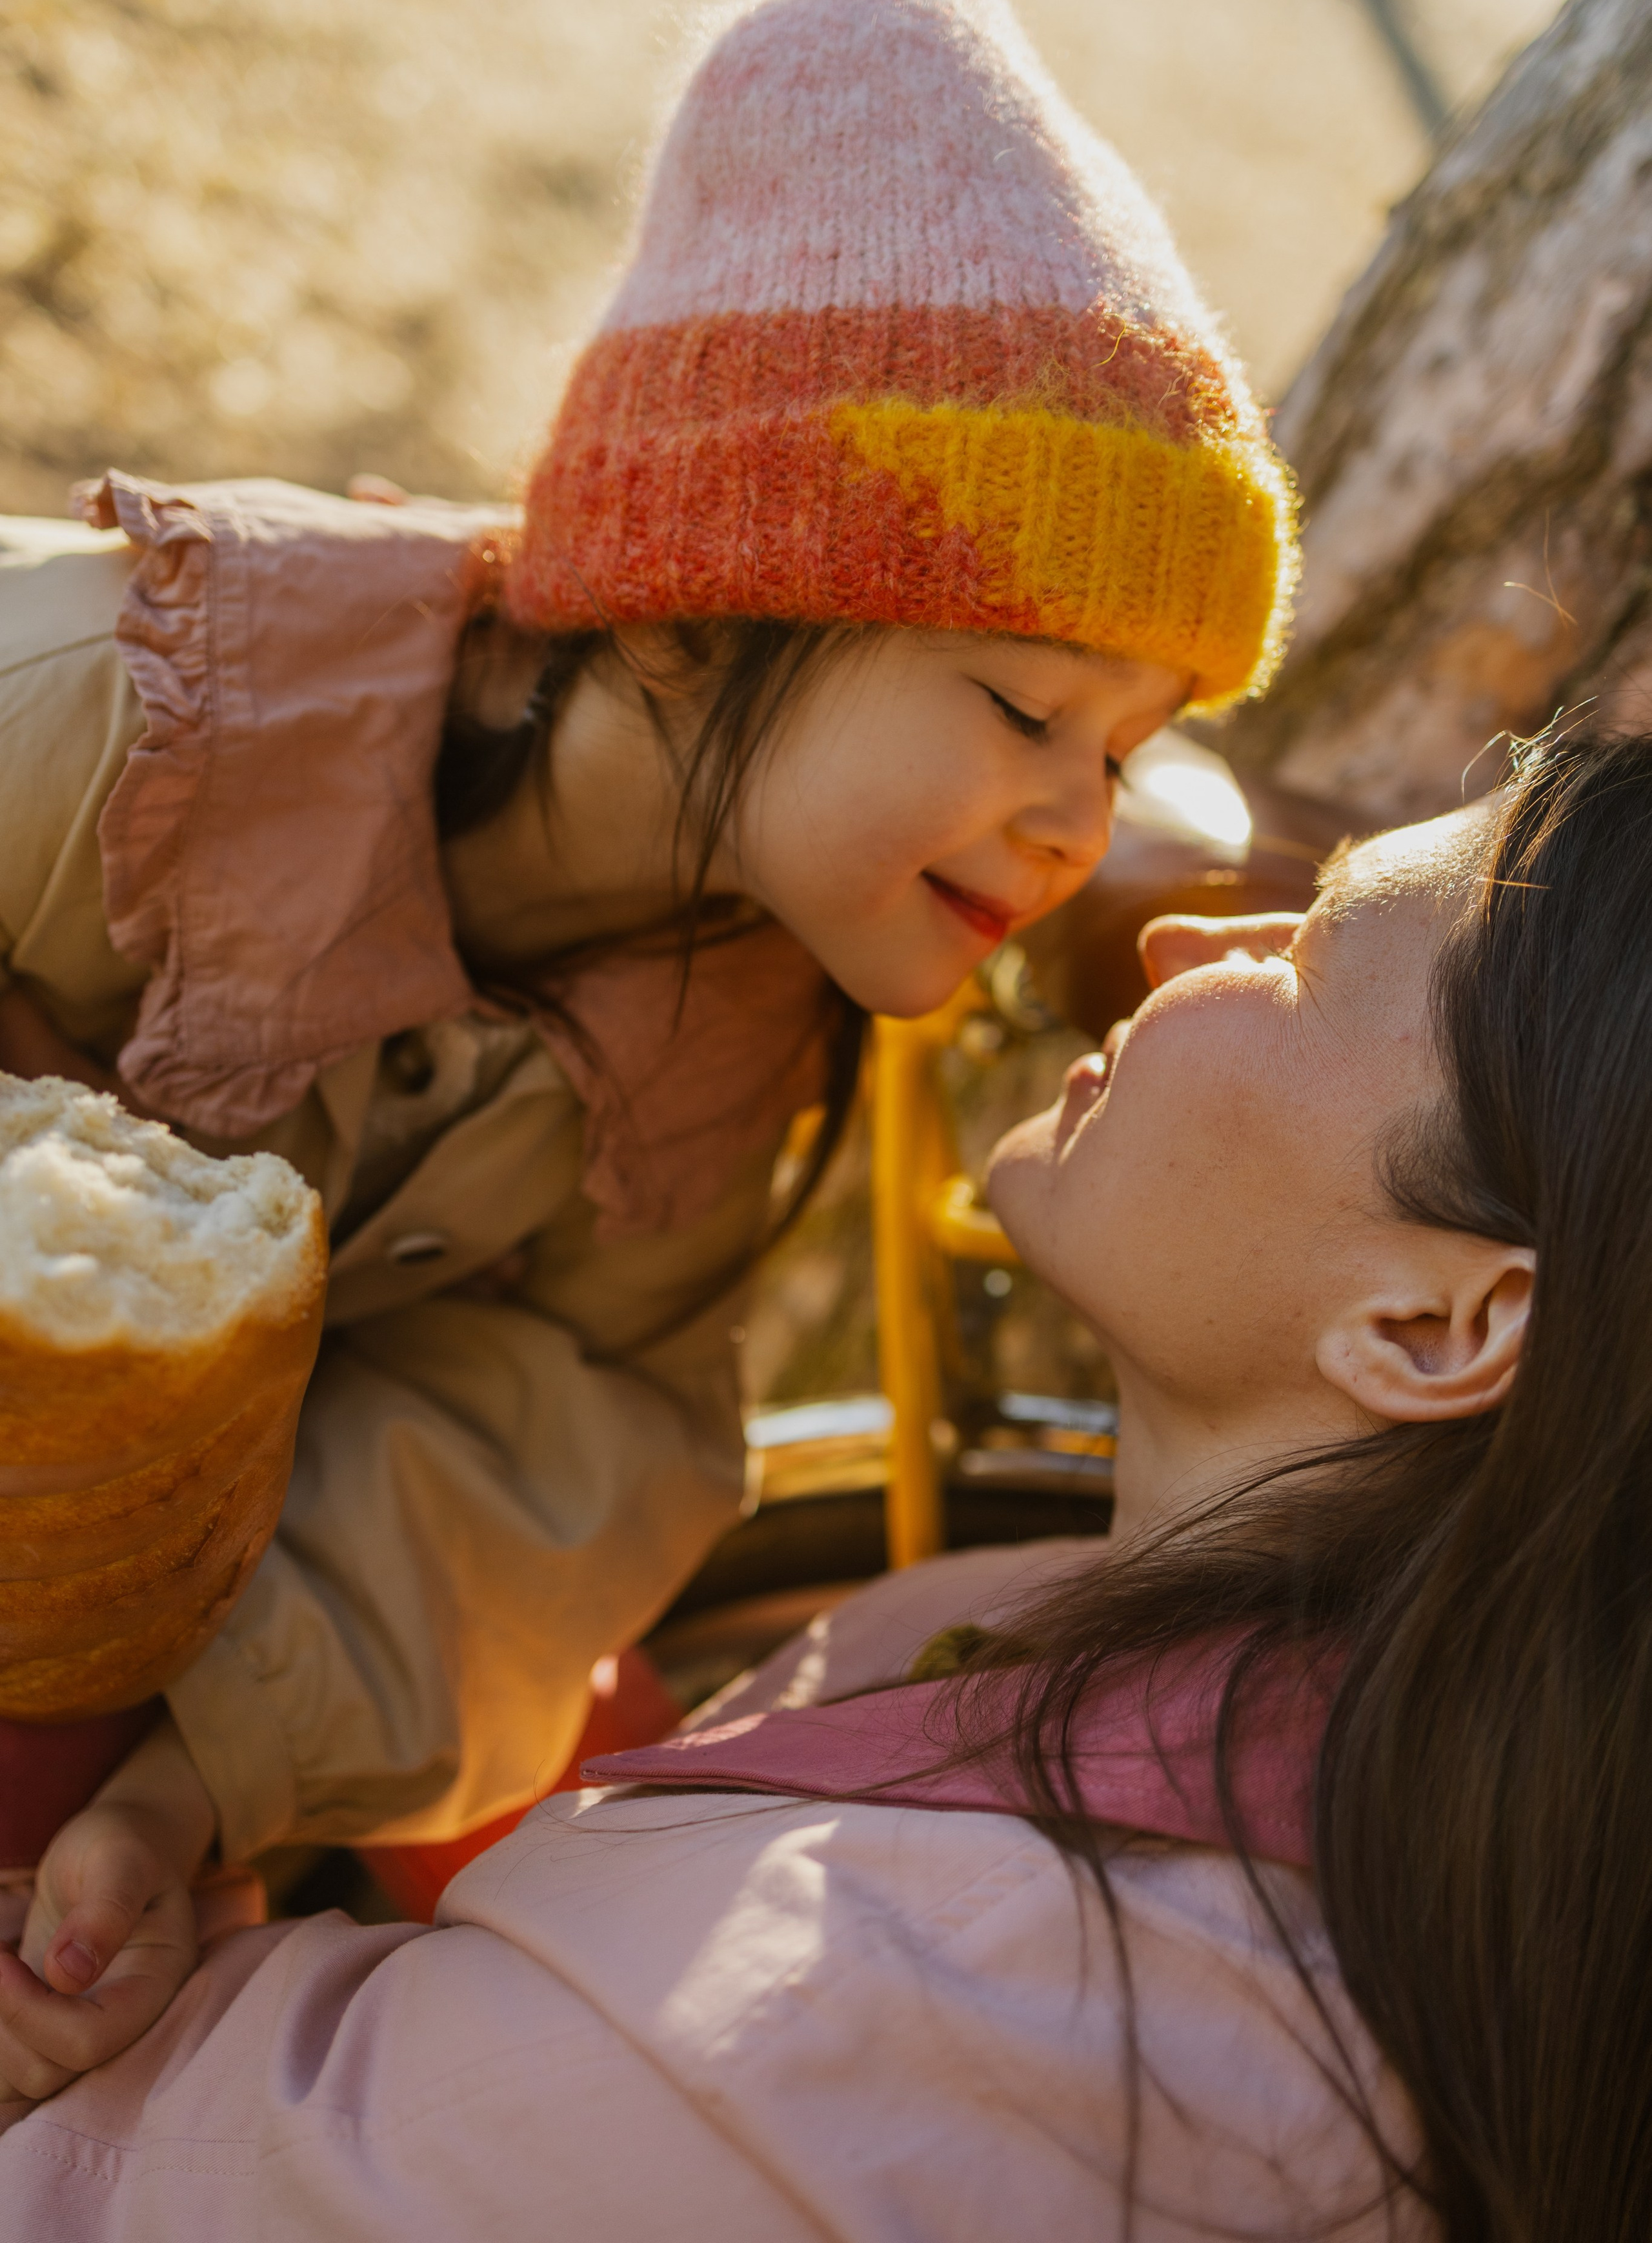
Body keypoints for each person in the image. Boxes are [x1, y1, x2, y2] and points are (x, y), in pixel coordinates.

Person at [0, 0, 1296, 2094]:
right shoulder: (126, 723)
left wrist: (196, 1783)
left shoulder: (733, 1046)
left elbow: (547, 1451)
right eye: (1025, 709)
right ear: (691, 623)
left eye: (1136, 746)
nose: (1082, 818)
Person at [6, 725, 1639, 2239]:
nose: (1174, 939)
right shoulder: (1080, 1659)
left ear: (1434, 1323)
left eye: (1302, 950)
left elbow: (111, 2190)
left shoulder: (898, 2018)